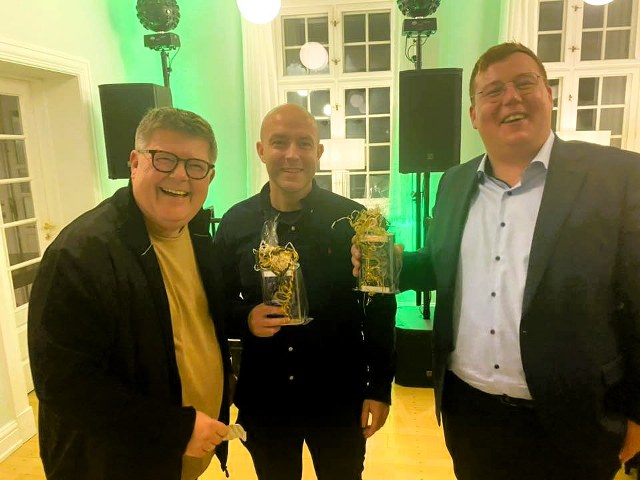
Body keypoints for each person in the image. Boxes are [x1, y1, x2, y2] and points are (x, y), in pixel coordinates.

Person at [352, 42, 640, 480]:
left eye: (525, 83)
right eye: (493, 91)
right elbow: (443, 266)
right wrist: (392, 266)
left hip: (574, 418)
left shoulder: (616, 177)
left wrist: (636, 412)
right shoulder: (454, 182)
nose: (511, 98)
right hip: (471, 414)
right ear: (473, 114)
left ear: (548, 94)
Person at [28, 107, 232, 480]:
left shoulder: (198, 234)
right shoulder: (80, 254)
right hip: (116, 465)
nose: (180, 175)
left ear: (210, 176)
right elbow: (63, 386)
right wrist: (176, 429)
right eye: (164, 159)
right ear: (135, 162)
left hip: (178, 459)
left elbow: (193, 321)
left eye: (195, 166)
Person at [213, 103, 396, 480]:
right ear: (261, 150)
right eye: (279, 142)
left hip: (338, 394)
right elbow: (214, 301)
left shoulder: (354, 221)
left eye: (304, 143)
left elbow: (380, 309)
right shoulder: (236, 223)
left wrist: (379, 388)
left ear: (319, 152)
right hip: (266, 396)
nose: (292, 154)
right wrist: (245, 318)